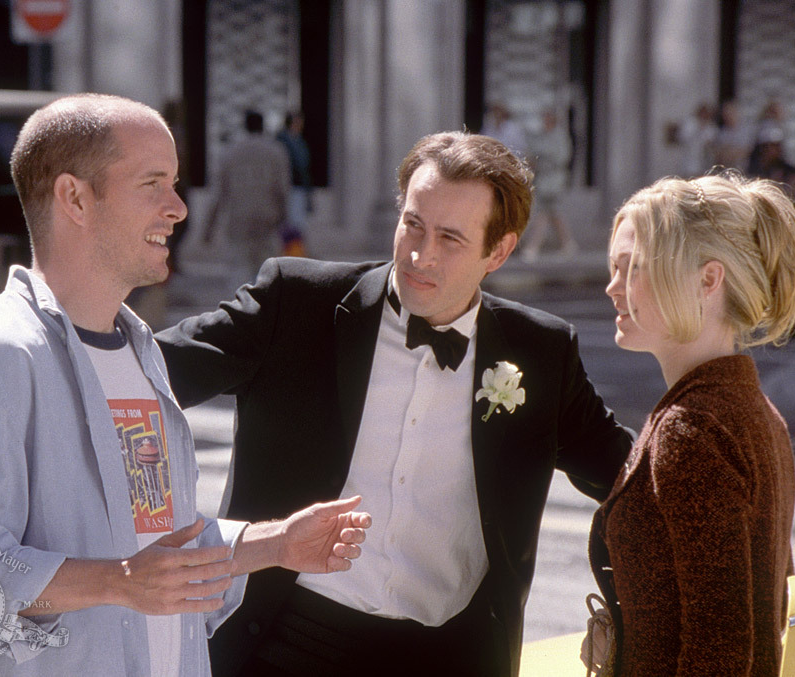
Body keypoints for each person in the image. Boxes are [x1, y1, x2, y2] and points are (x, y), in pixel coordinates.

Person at [0, 93, 370, 676]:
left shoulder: (142, 354)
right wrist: (117, 583)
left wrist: (273, 546)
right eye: (154, 183)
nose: (178, 208)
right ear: (74, 197)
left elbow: (155, 546)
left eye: (175, 184)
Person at [156, 131, 634, 677]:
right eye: (413, 224)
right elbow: (149, 374)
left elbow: (633, 478)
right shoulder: (295, 302)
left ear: (498, 250)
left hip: (449, 655)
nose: (419, 255)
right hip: (283, 637)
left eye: (451, 239)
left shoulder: (541, 352)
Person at [587, 173, 795, 676]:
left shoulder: (690, 430)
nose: (611, 286)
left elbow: (722, 650)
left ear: (708, 280)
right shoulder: (753, 411)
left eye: (634, 268)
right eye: (613, 267)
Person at [204, 109, 291, 284]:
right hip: (267, 218)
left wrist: (208, 228)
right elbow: (282, 189)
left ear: (245, 126)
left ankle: (240, 308)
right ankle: (264, 308)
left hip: (239, 219)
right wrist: (284, 217)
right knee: (267, 269)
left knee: (239, 269)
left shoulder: (230, 152)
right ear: (263, 126)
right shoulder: (276, 152)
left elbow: (219, 194)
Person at [522, 108, 578, 261]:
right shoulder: (541, 137)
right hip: (543, 180)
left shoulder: (559, 137)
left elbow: (561, 157)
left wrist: (543, 159)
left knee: (545, 213)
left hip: (555, 180)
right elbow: (533, 154)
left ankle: (533, 247)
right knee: (553, 214)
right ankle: (568, 244)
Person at [275, 110, 312, 254]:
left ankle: (296, 252)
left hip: (299, 187)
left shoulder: (298, 141)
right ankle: (291, 253)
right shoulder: (283, 141)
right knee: (290, 224)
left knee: (298, 224)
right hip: (289, 186)